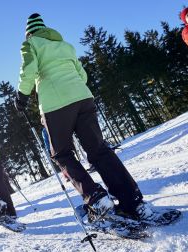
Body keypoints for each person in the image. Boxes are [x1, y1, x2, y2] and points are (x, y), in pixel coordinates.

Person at [14, 13, 155, 221]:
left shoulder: (30, 44)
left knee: (61, 153)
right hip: (83, 98)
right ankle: (131, 199)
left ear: (29, 33)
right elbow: (83, 75)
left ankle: (95, 198)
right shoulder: (64, 45)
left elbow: (29, 69)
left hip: (56, 104)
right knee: (99, 149)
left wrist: (22, 95)